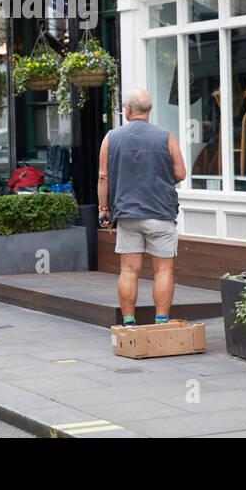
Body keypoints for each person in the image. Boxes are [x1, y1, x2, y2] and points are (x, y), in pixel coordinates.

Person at [97, 88, 187, 328]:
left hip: (127, 214)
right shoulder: (166, 136)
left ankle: (129, 323)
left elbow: (103, 177)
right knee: (163, 270)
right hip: (160, 212)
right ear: (149, 111)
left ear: (128, 109)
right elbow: (180, 173)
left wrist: (103, 209)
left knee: (128, 270)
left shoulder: (111, 138)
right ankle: (161, 323)